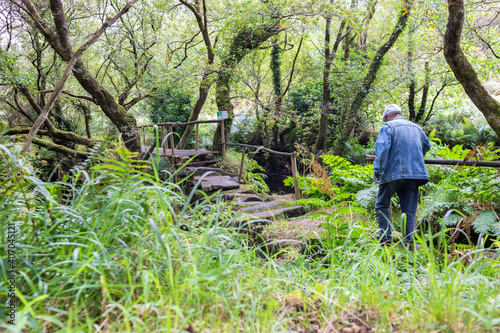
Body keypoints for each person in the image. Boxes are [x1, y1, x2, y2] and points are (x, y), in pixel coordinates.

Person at [372, 104, 431, 250]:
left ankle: (385, 239)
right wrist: (416, 158)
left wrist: (377, 171)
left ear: (388, 116)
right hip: (414, 173)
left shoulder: (388, 127)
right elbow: (427, 145)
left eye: (385, 119)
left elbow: (383, 150)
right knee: (409, 209)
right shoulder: (417, 128)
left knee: (382, 204)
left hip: (393, 172)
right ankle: (409, 243)